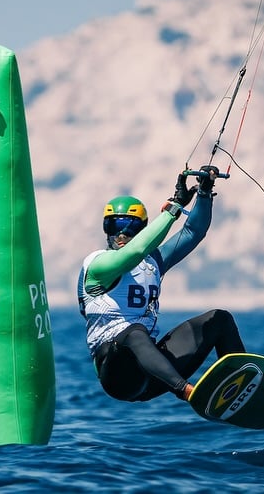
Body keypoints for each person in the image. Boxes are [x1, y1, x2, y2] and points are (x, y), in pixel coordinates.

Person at [76, 166, 246, 403]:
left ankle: (240, 386)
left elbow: (193, 231)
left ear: (143, 229)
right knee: (134, 332)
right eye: (115, 226)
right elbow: (136, 250)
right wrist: (175, 207)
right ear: (106, 229)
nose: (122, 235)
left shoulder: (153, 262)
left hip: (153, 373)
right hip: (117, 375)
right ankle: (187, 392)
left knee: (220, 319)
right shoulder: (97, 265)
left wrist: (205, 192)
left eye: (131, 226)